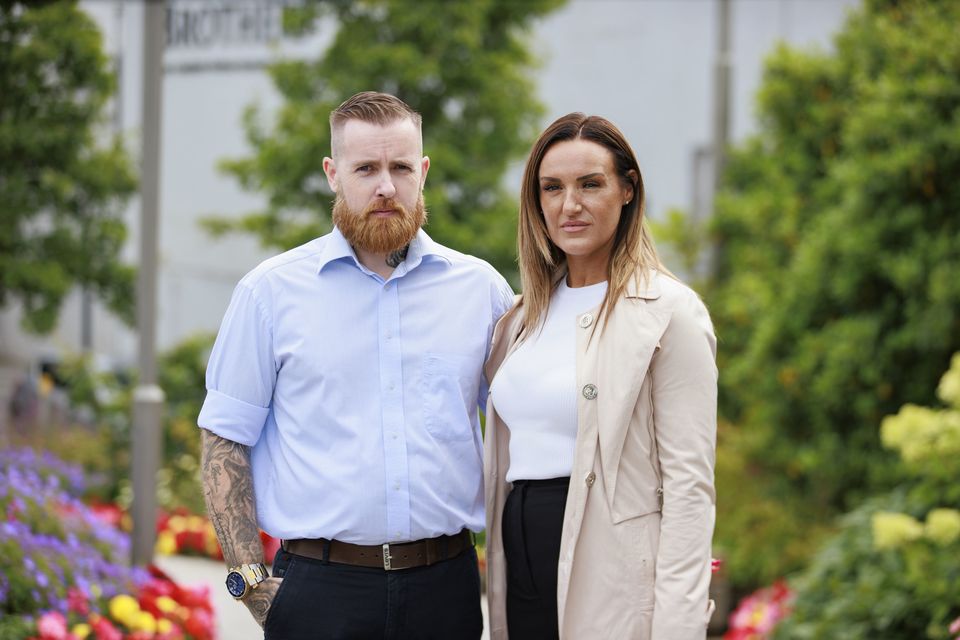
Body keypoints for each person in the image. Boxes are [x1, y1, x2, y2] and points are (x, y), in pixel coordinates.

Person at [198, 91, 514, 639]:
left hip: (446, 589)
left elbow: (522, 430)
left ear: (424, 172)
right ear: (332, 173)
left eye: (401, 167)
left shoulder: (481, 291)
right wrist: (249, 585)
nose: (386, 186)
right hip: (317, 595)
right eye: (365, 168)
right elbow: (224, 440)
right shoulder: (269, 294)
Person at [483, 113, 718, 639]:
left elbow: (689, 487)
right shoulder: (521, 320)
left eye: (591, 184)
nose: (570, 205)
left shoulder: (668, 312)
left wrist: (678, 627)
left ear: (628, 189)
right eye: (552, 188)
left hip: (610, 569)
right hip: (520, 560)